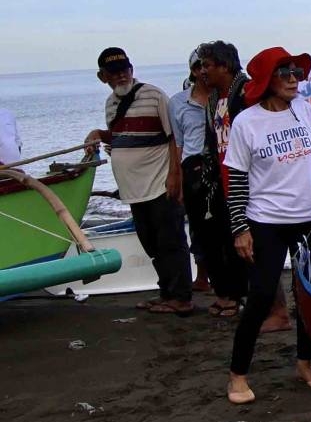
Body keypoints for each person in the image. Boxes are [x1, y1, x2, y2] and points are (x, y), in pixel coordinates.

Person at [225, 46, 311, 404]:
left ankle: (305, 364)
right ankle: (237, 376)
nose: (295, 79)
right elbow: (237, 179)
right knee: (261, 296)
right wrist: (239, 229)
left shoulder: (307, 111)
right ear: (266, 81)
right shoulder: (247, 122)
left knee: (309, 292)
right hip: (267, 223)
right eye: (285, 73)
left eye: (297, 72)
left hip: (310, 220)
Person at [84, 47, 192, 315]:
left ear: (132, 70)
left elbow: (173, 137)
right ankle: (167, 292)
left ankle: (181, 297)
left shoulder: (154, 95)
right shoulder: (110, 104)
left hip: (159, 184)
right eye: (114, 72)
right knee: (151, 244)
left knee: (171, 241)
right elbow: (123, 134)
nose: (121, 76)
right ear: (103, 77)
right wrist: (98, 133)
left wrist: (174, 176)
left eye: (125, 70)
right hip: (133, 190)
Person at [170, 48, 238, 312]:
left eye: (207, 66)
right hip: (194, 168)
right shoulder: (178, 103)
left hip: (223, 167)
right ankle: (221, 290)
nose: (203, 71)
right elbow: (176, 144)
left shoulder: (225, 97)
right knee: (203, 235)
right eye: (199, 66)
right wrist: (174, 177)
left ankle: (232, 294)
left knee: (228, 234)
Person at [195, 40, 251, 316]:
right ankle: (231, 294)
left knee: (249, 244)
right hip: (222, 180)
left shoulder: (247, 93)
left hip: (249, 182)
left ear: (225, 66)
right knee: (224, 242)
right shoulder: (214, 100)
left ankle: (249, 299)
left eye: (207, 65)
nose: (202, 71)